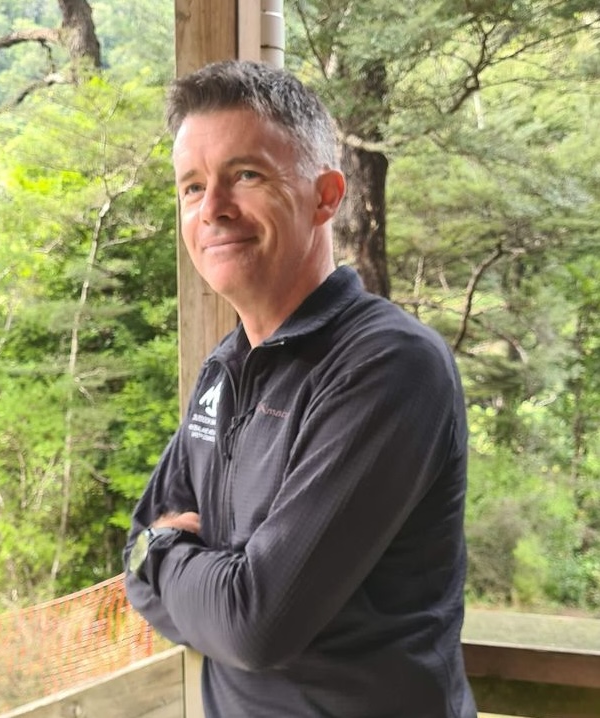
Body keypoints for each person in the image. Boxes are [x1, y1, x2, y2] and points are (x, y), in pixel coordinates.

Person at [124, 59, 477, 718]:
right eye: (192, 186)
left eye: (246, 175)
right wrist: (172, 560)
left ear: (326, 196)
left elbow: (254, 624)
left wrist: (164, 552)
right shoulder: (224, 368)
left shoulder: (389, 365)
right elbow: (135, 569)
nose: (213, 208)